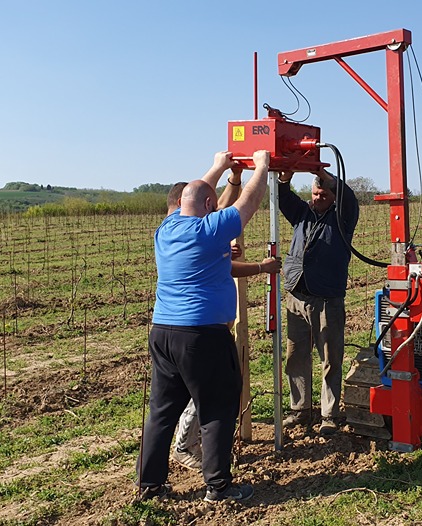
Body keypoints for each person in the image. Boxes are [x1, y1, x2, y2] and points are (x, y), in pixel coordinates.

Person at [136, 149, 270, 503]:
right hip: (202, 337)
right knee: (217, 409)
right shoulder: (210, 229)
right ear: (211, 204)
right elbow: (250, 201)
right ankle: (219, 486)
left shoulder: (166, 229)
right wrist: (262, 166)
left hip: (164, 333)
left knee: (161, 413)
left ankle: (150, 484)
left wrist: (218, 166)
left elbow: (195, 195)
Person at [163, 173, 281, 472]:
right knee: (209, 398)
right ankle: (195, 455)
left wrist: (230, 177)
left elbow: (214, 213)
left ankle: (158, 471)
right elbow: (236, 208)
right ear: (185, 204)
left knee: (173, 403)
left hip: (176, 331)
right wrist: (260, 167)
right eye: (209, 206)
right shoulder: (192, 229)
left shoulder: (173, 230)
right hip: (199, 334)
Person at [278, 168, 359, 436]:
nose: (318, 198)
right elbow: (283, 198)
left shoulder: (343, 217)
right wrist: (284, 180)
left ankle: (329, 415)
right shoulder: (303, 212)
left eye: (324, 194)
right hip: (296, 295)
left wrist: (325, 174)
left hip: (327, 298)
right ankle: (299, 409)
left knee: (330, 358)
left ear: (334, 197)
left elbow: (350, 199)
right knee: (295, 356)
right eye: (314, 193)